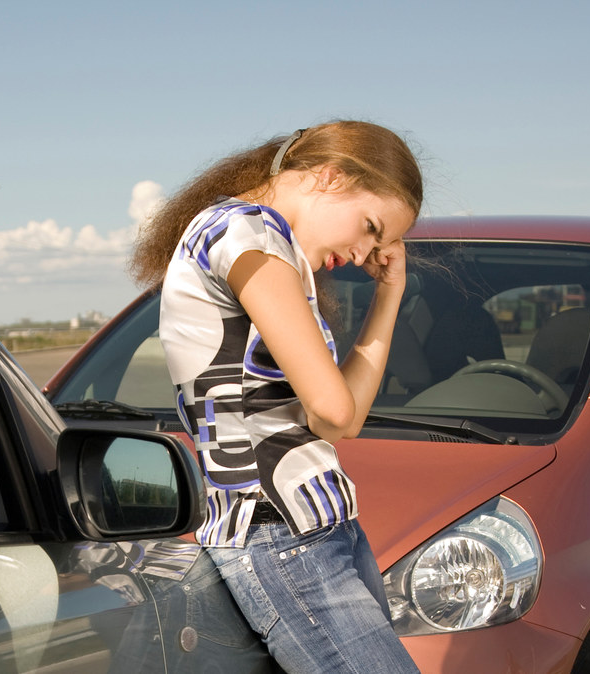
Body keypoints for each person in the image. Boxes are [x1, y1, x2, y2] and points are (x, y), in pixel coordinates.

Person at [129, 121, 422, 673]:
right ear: (331, 176)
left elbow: (347, 419)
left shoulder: (267, 245)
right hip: (280, 536)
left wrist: (390, 294)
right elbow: (333, 409)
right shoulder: (244, 232)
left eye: (378, 245)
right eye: (370, 228)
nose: (365, 254)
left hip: (318, 532)